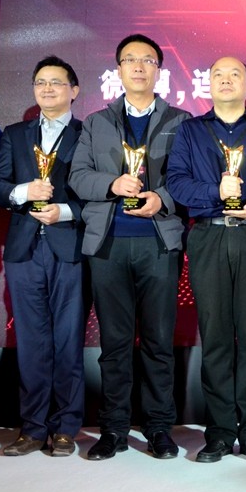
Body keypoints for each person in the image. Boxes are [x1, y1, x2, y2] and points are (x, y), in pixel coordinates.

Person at [69, 34, 189, 460]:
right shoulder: (96, 122)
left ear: (159, 70)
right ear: (118, 69)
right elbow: (78, 177)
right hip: (108, 246)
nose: (139, 67)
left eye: (147, 60)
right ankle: (114, 429)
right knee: (115, 343)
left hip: (158, 244)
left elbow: (189, 180)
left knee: (158, 342)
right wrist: (112, 184)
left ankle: (159, 428)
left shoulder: (182, 121)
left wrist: (162, 199)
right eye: (130, 60)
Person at [167, 56, 246, 463]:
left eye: (235, 74)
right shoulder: (190, 130)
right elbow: (177, 182)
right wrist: (216, 192)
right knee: (214, 338)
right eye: (218, 74)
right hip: (209, 236)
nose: (226, 80)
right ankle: (218, 432)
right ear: (208, 83)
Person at [0, 56, 87, 457]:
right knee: (30, 341)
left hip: (69, 247)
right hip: (24, 249)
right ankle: (32, 428)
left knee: (68, 340)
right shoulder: (14, 134)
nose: (47, 89)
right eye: (40, 82)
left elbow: (99, 193)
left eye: (56, 82)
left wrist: (64, 210)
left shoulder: (89, 133)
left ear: (73, 91)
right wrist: (23, 192)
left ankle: (66, 427)